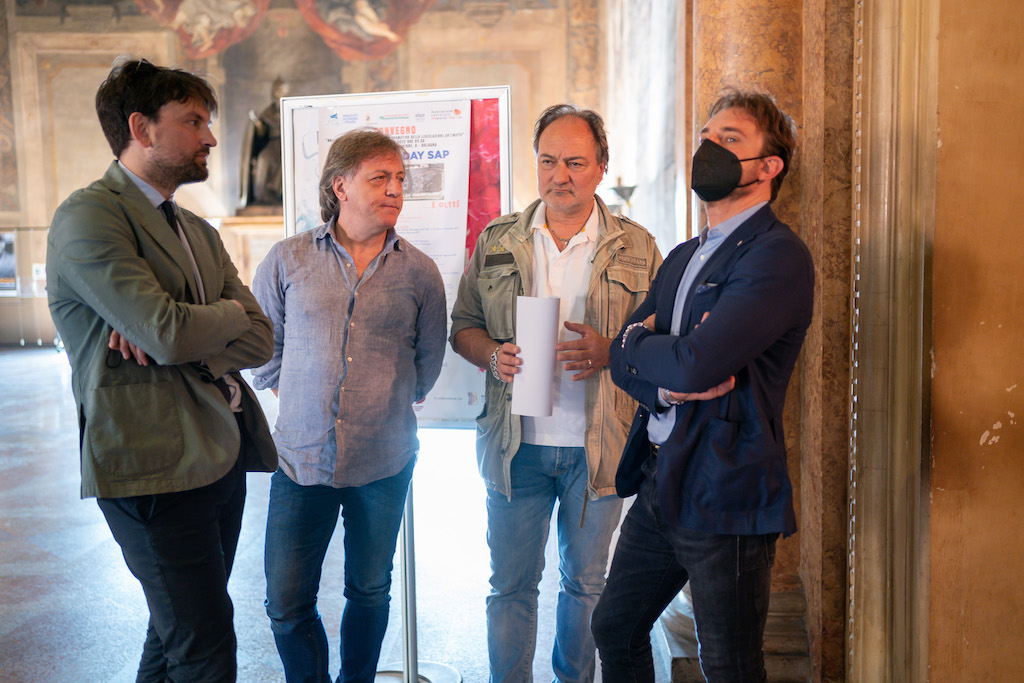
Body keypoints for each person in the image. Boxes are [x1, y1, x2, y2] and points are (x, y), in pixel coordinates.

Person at [46, 58, 278, 682]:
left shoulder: (196, 229)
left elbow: (260, 337)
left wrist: (197, 327)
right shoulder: (90, 216)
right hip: (152, 464)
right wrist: (215, 318)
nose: (211, 137)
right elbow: (166, 332)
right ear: (141, 128)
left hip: (219, 455)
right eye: (194, 121)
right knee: (205, 648)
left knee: (174, 631)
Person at [590, 89, 815, 682]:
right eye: (706, 137)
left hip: (725, 489)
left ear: (769, 167)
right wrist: (658, 375)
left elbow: (693, 364)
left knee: (729, 665)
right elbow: (622, 357)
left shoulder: (776, 256)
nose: (708, 149)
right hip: (659, 479)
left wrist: (649, 348)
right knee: (614, 628)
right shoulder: (684, 255)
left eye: (730, 139)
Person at [450, 104, 662, 682]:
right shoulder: (499, 240)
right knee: (510, 586)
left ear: (600, 168)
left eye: (574, 162)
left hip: (602, 446)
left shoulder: (638, 247)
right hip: (515, 447)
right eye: (548, 161)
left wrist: (612, 351)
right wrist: (494, 355)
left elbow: (665, 340)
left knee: (586, 585)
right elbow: (463, 326)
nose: (559, 175)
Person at [251, 128, 447, 683]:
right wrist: (304, 400)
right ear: (340, 186)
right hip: (300, 461)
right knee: (286, 602)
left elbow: (428, 362)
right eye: (380, 178)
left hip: (383, 462)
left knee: (369, 590)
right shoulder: (288, 259)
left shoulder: (420, 272)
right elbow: (263, 351)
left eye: (400, 179)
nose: (395, 189)